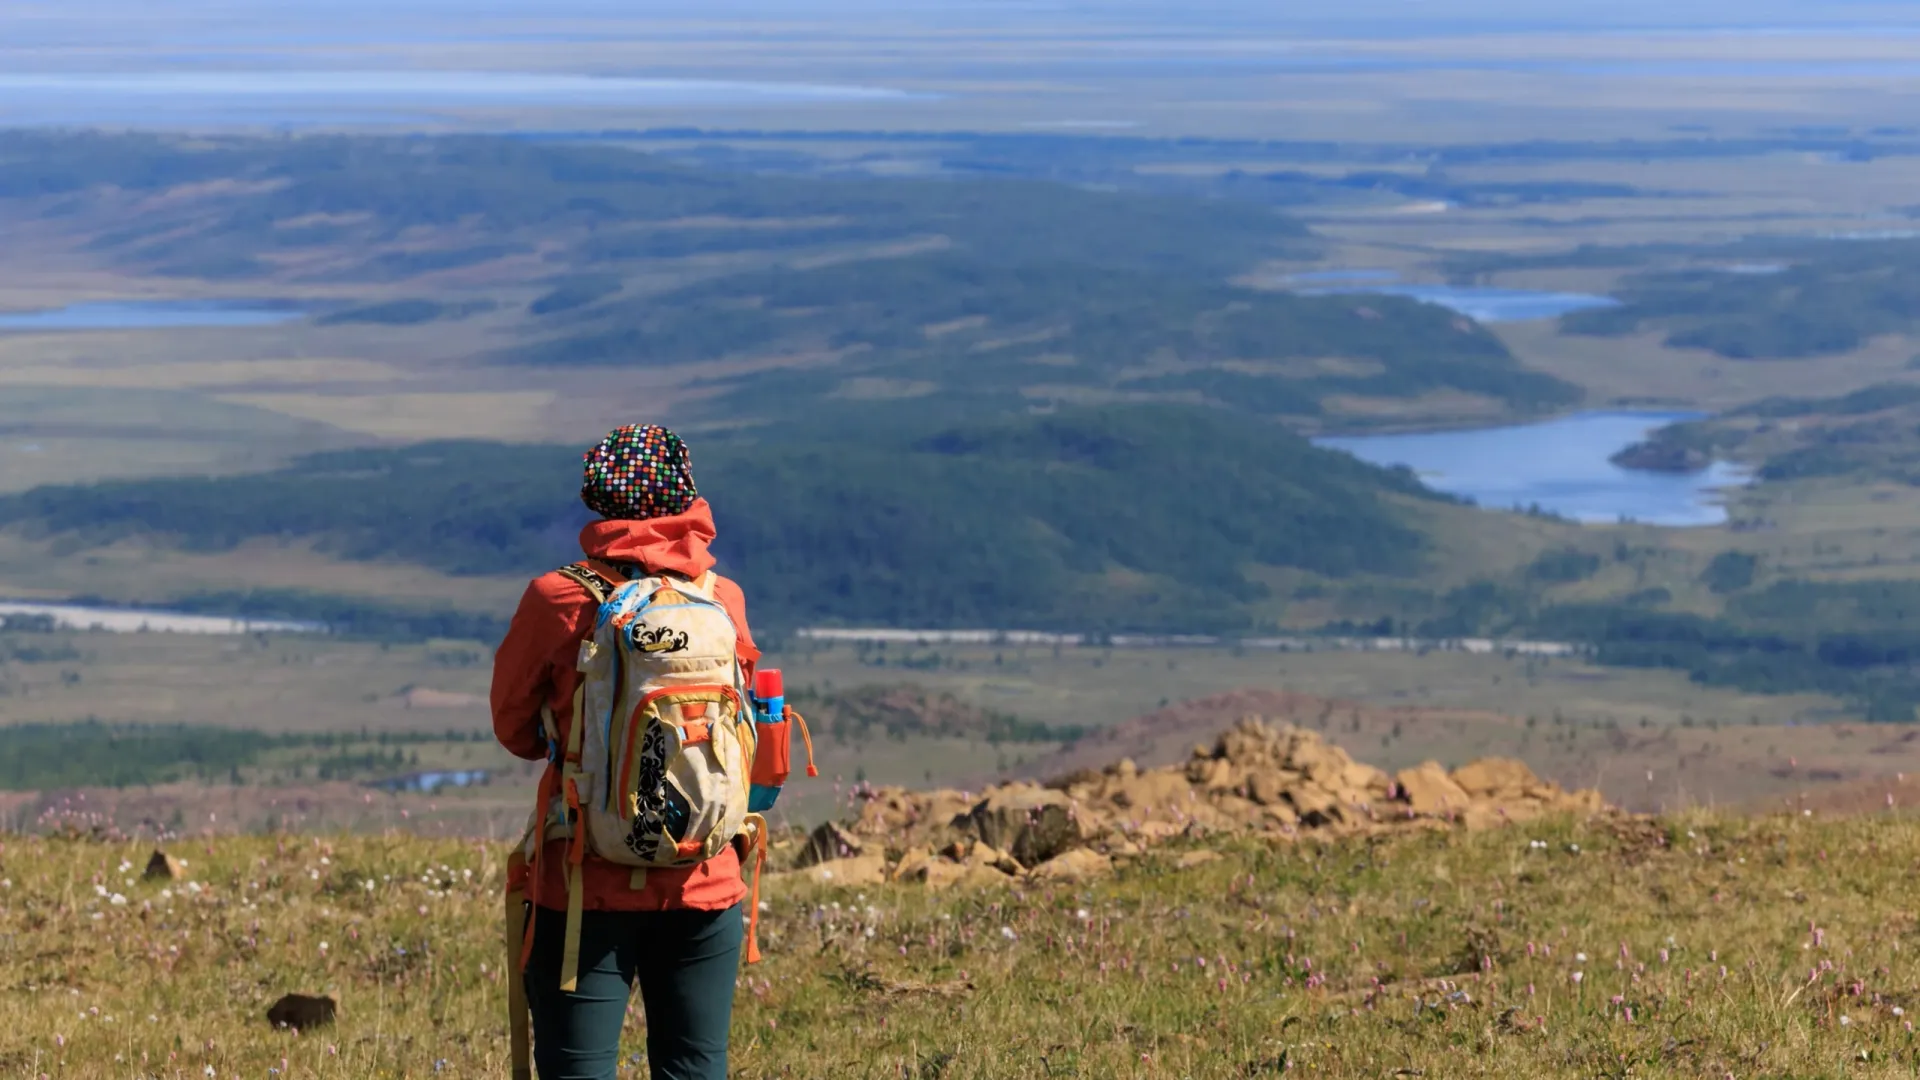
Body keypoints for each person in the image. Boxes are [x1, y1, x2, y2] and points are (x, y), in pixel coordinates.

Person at [491, 423, 758, 1080]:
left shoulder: (560, 597)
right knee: (695, 1068)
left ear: (598, 498)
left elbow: (515, 730)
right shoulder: (720, 599)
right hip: (707, 880)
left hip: (585, 884)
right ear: (685, 494)